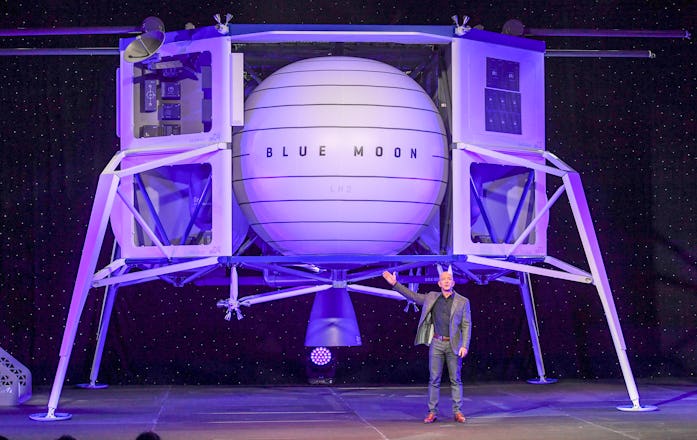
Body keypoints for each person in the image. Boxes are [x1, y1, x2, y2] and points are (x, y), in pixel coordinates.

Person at [383, 267, 471, 424]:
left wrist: (465, 345)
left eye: (449, 279)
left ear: (453, 282)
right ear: (439, 283)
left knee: (455, 379)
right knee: (434, 379)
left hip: (454, 345)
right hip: (437, 343)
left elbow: (466, 325)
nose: (446, 281)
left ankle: (458, 412)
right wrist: (395, 284)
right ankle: (432, 412)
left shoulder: (463, 301)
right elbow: (413, 296)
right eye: (443, 279)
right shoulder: (432, 297)